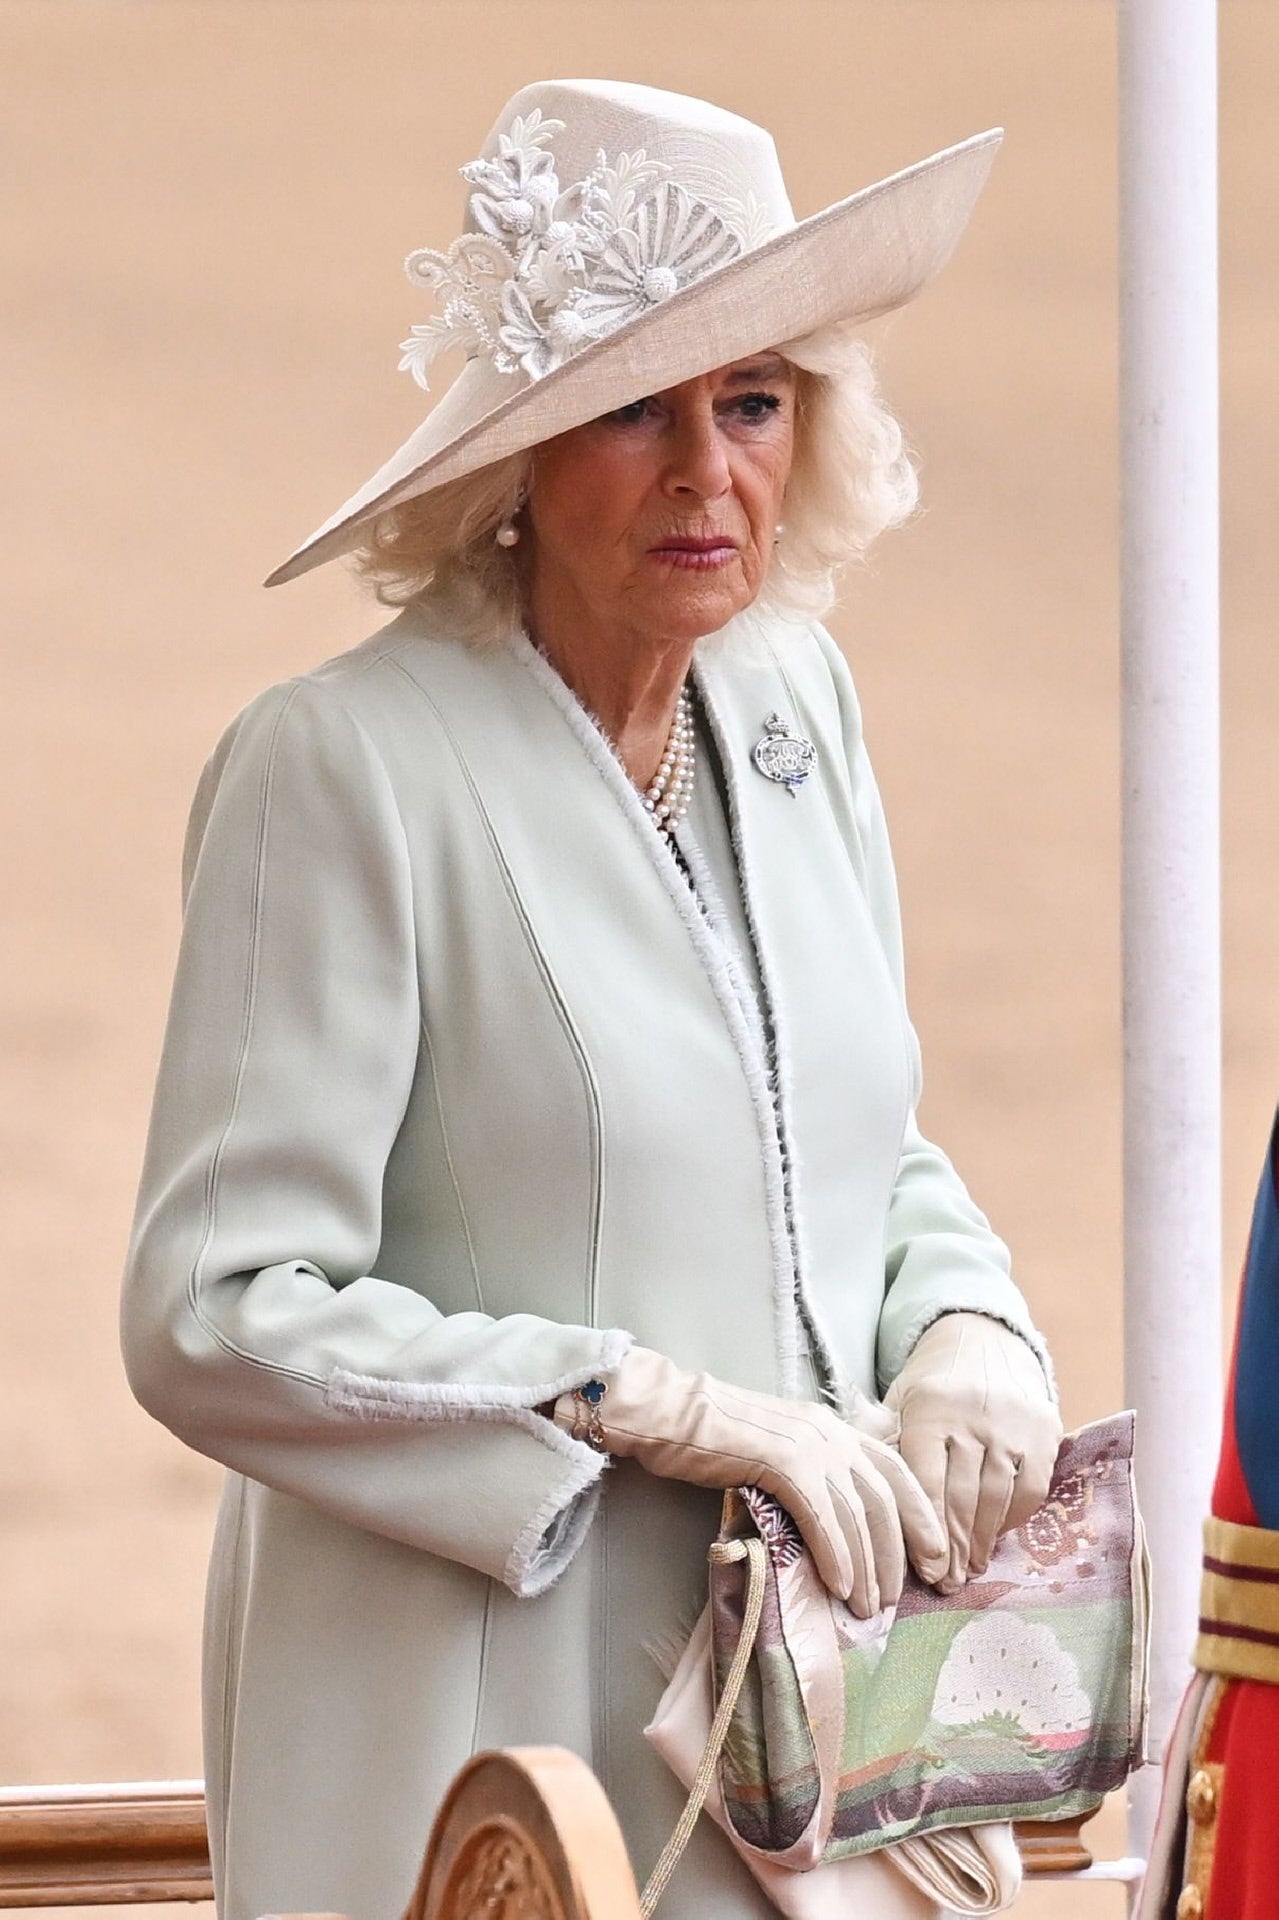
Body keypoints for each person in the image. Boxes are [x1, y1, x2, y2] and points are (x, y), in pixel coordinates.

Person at [121, 79, 1062, 1920]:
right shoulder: (339, 769)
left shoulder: (796, 709)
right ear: (520, 459)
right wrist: (644, 1402)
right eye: (634, 408)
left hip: (812, 1757)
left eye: (753, 401)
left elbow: (860, 1140)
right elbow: (213, 1314)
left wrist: (967, 1324)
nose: (708, 471)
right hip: (485, 1775)